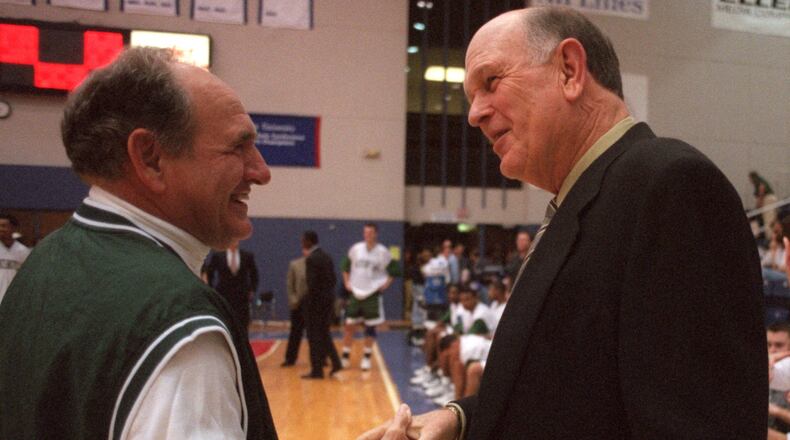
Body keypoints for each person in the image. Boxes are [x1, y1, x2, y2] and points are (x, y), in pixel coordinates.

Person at [359, 6, 764, 439]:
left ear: (569, 71)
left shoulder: (669, 185)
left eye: (491, 82)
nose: (474, 114)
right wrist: (460, 419)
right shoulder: (588, 196)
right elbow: (571, 393)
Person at [0, 47, 277, 438]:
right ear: (150, 158)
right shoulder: (179, 326)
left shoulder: (43, 264)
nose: (261, 171)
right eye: (238, 146)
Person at [340, 222, 398, 371]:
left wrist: (386, 284)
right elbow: (345, 266)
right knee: (349, 325)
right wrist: (347, 282)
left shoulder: (383, 252)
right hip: (356, 292)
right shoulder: (356, 249)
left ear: (375, 233)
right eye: (365, 232)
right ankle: (345, 356)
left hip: (372, 293)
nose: (367, 235)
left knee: (370, 328)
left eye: (370, 232)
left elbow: (395, 270)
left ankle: (366, 358)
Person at [301, 230, 342, 379]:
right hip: (327, 303)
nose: (302, 243)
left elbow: (312, 285)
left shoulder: (311, 258)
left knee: (314, 337)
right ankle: (336, 363)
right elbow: (333, 280)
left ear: (309, 241)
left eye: (303, 240)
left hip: (315, 305)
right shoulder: (327, 256)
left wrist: (307, 302)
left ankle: (317, 370)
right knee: (324, 334)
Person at [202, 240, 260, 330]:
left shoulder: (247, 256)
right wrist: (211, 290)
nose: (234, 242)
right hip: (224, 294)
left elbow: (254, 274)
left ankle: (242, 342)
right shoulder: (218, 255)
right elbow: (210, 273)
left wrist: (252, 289)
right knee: (226, 321)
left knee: (242, 323)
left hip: (242, 295)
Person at [281, 251, 308, 367]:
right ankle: (290, 358)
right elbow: (289, 284)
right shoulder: (295, 265)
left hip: (312, 305)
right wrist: (293, 300)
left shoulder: (317, 264)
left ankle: (321, 358)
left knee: (317, 333)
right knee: (295, 332)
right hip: (298, 304)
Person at [0, 213, 30, 304]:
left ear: (13, 228)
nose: (0, 229)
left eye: (3, 226)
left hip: (13, 301)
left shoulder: (24, 251)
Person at [750, 171, 779, 241]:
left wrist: (760, 201)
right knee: (771, 218)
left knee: (768, 219)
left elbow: (761, 188)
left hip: (768, 199)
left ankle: (771, 238)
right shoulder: (760, 180)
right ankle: (771, 237)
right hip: (771, 199)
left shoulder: (757, 181)